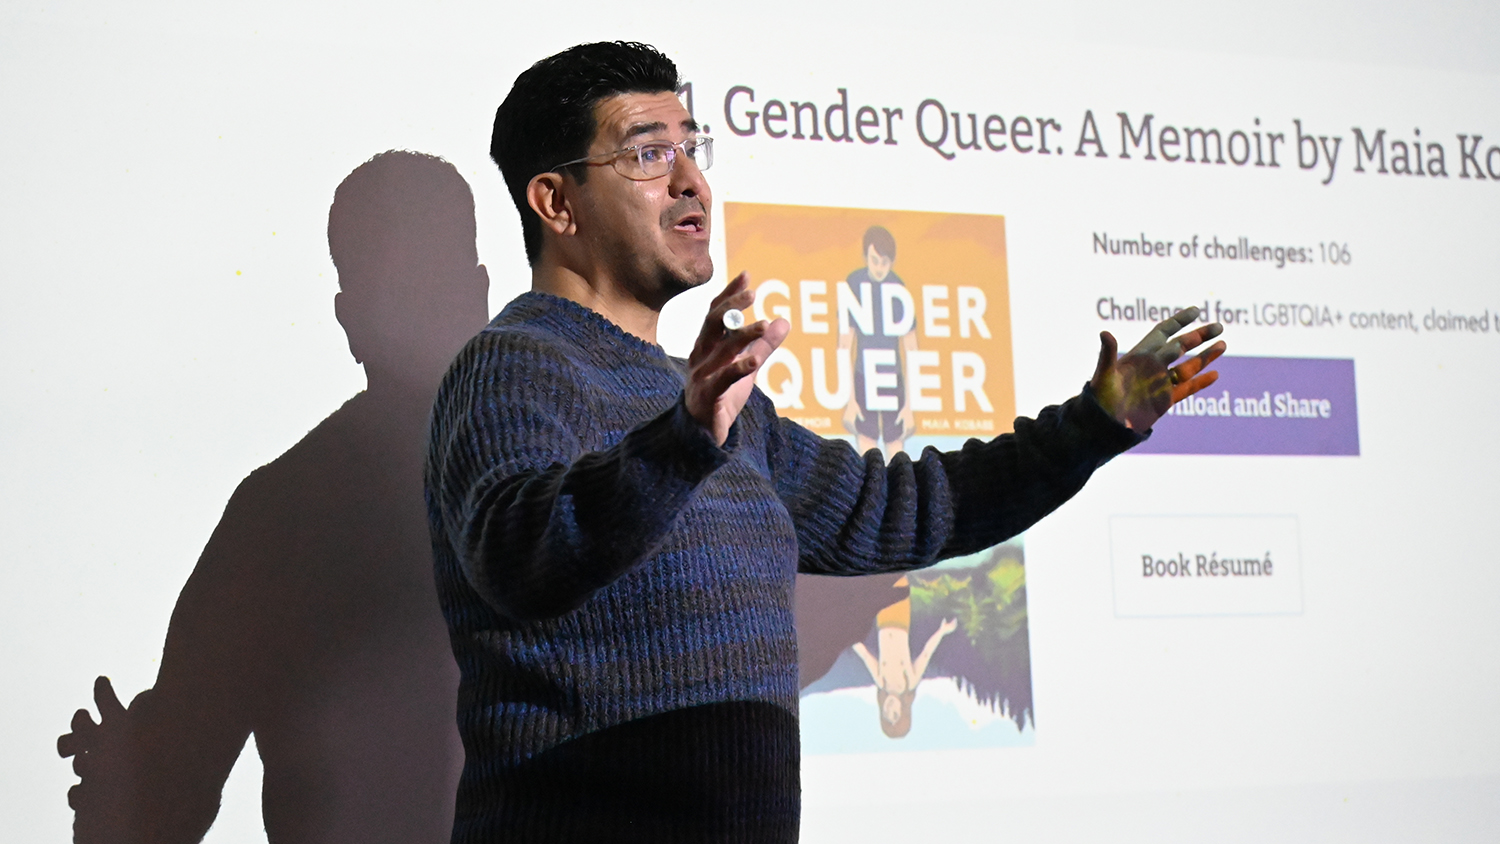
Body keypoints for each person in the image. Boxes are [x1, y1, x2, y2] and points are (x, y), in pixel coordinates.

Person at [424, 41, 1224, 843]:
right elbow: (517, 553)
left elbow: (903, 509)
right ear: (556, 204)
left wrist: (1093, 425)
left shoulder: (711, 398)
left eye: (693, 147)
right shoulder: (518, 364)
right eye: (647, 153)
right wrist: (684, 438)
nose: (691, 179)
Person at [58, 151, 487, 844]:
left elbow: (156, 810)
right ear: (481, 296)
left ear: (350, 318)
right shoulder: (593, 486)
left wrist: (119, 792)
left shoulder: (276, 519)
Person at [838, 225, 917, 459]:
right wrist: (850, 400)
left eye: (885, 262)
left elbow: (911, 348)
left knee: (895, 445)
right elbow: (845, 344)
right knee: (867, 445)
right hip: (864, 375)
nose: (880, 268)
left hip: (893, 377)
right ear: (866, 257)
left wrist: (909, 405)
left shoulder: (898, 286)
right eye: (875, 260)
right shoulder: (854, 283)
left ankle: (901, 495)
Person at [851, 576, 958, 737]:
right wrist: (942, 631)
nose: (889, 709)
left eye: (886, 714)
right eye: (895, 714)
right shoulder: (910, 682)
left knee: (884, 580)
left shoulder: (882, 681)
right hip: (901, 620)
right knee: (899, 578)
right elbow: (926, 653)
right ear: (904, 712)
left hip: (884, 620)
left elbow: (865, 655)